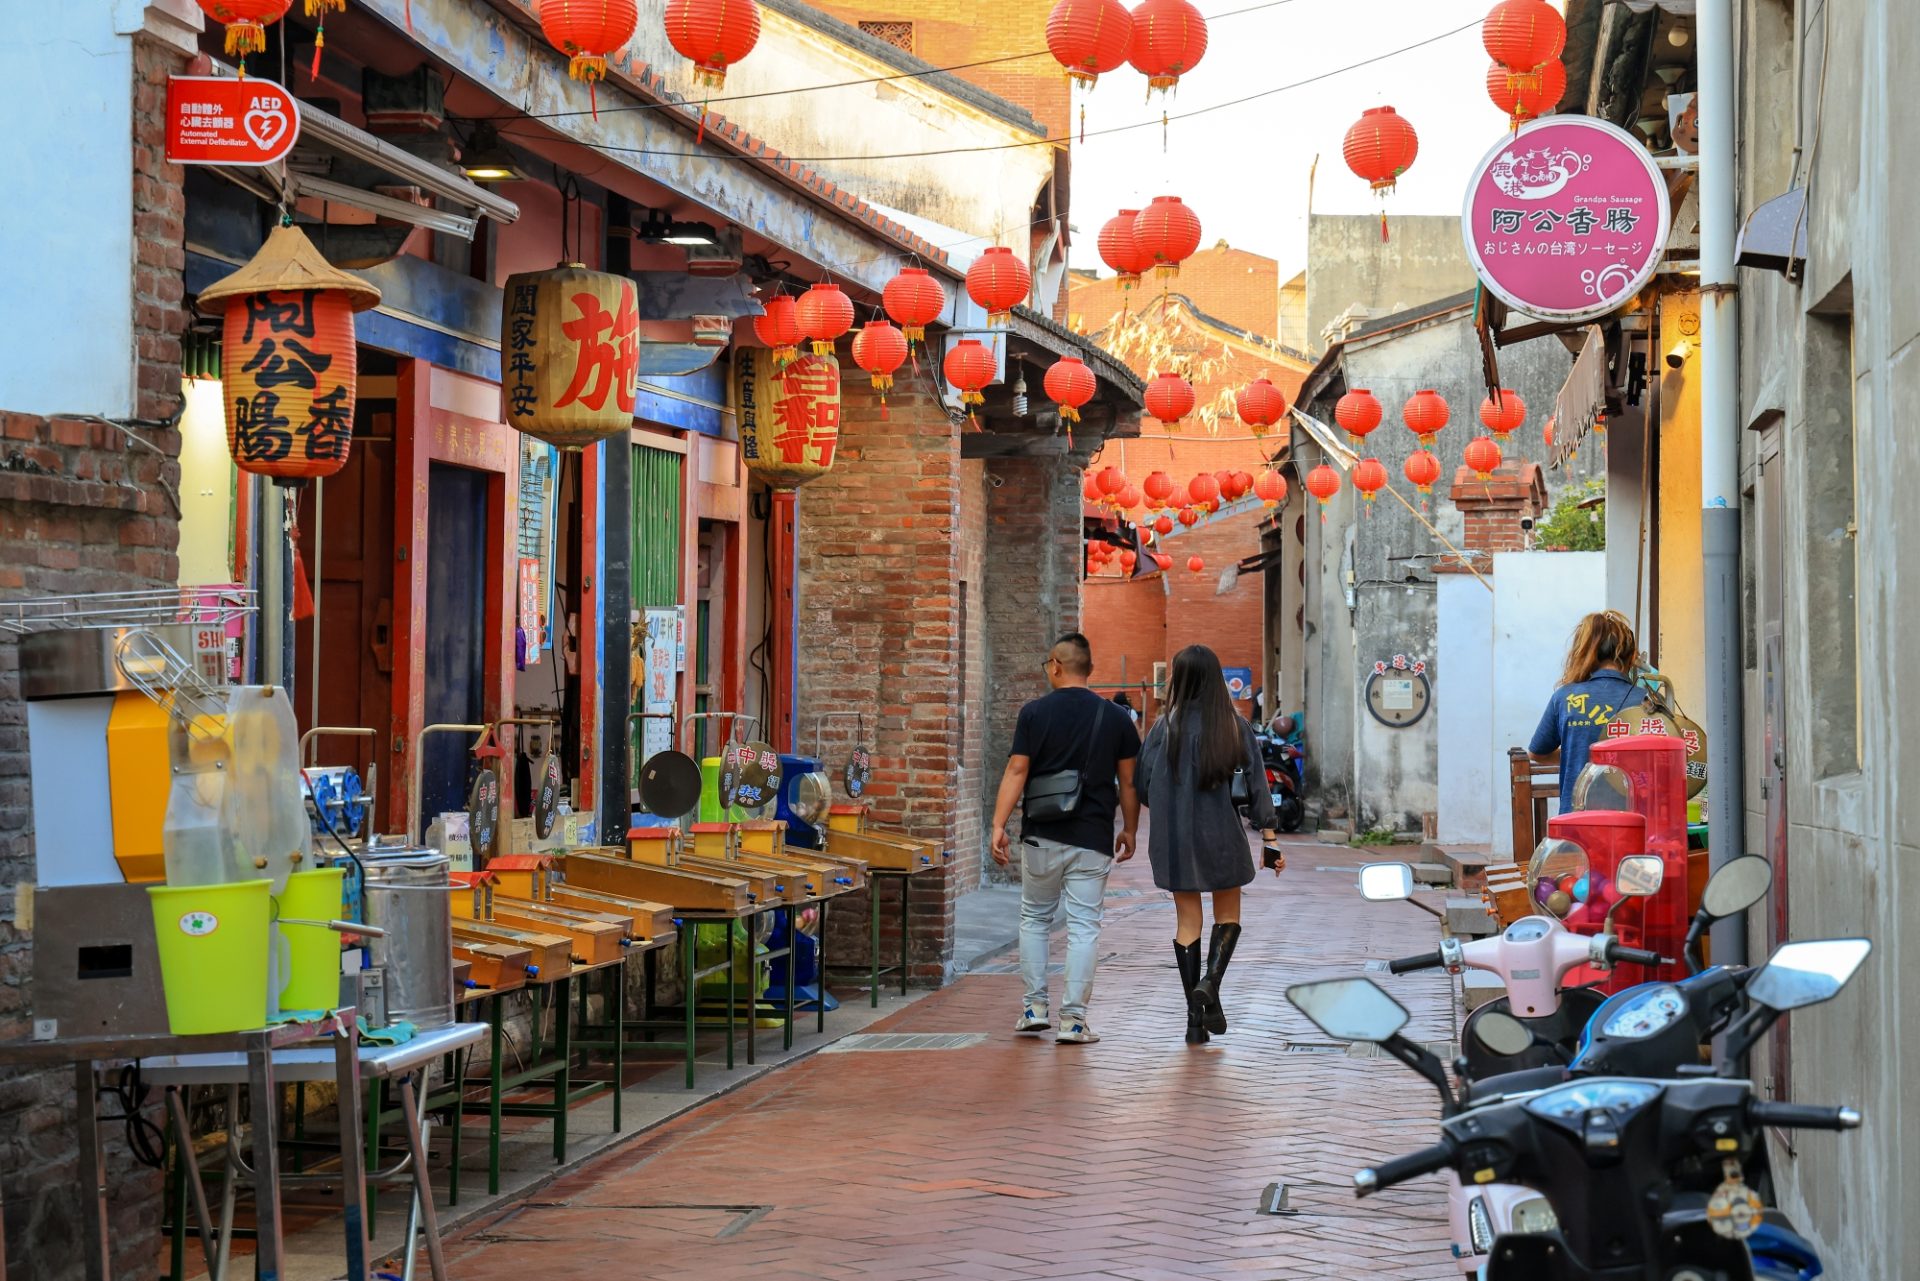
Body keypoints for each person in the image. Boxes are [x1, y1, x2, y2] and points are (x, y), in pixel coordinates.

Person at [990, 633, 1141, 1045]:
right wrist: (1130, 829)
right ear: (1088, 668)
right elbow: (1129, 783)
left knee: (1035, 918)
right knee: (1084, 926)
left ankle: (1034, 1009)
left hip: (1041, 833)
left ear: (1056, 665)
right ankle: (1073, 1021)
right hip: (1092, 836)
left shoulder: (1034, 713)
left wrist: (998, 824)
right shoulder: (1116, 718)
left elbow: (1017, 770)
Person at [1134, 645, 1279, 1045]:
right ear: (1217, 679)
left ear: (1178, 679)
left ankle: (1194, 1023)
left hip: (1174, 840)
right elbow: (1257, 788)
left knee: (1187, 922)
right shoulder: (1234, 727)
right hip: (1222, 836)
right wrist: (1270, 839)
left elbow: (1142, 787)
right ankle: (1211, 984)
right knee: (1227, 914)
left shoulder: (1163, 729)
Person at [1529, 610, 1648, 813]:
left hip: (1576, 818)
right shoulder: (1647, 700)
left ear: (1585, 653)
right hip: (1633, 819)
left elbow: (1537, 753)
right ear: (1631, 656)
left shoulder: (1565, 697)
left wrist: (1576, 751)